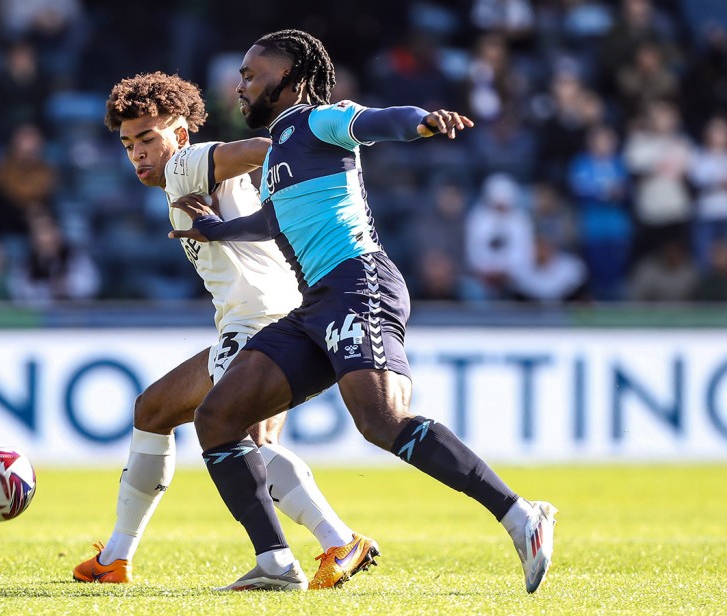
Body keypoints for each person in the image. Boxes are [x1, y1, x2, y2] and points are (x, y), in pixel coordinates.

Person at [169, 29, 557, 593]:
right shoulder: (277, 151)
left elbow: (377, 121)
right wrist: (216, 229)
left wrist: (423, 121)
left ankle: (522, 515)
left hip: (359, 284)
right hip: (315, 305)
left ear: (288, 76)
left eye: (251, 74)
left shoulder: (318, 120)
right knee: (217, 418)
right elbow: (276, 221)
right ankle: (276, 563)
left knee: (383, 421)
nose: (240, 84)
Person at [72, 72, 374, 590]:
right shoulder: (182, 174)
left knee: (226, 433)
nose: (137, 153)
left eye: (147, 138)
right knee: (159, 412)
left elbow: (259, 148)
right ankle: (116, 557)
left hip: (258, 319)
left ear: (180, 133)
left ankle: (335, 540)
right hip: (277, 313)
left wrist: (301, 152)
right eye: (127, 144)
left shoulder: (187, 163)